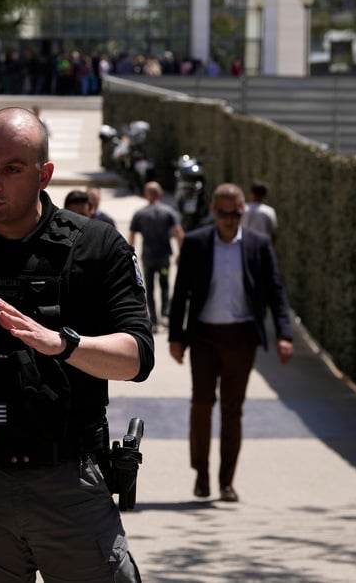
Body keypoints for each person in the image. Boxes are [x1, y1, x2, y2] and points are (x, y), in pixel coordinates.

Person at [0, 107, 154, 582]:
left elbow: (138, 357)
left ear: (44, 174)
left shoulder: (96, 246)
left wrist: (64, 345)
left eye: (12, 169)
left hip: (69, 484)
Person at [168, 182, 293, 503]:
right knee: (202, 404)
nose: (229, 220)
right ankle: (201, 473)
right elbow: (181, 292)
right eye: (223, 213)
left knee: (232, 410)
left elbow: (275, 291)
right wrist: (176, 338)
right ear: (213, 211)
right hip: (205, 336)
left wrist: (284, 334)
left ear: (242, 211)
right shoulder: (196, 243)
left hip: (242, 337)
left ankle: (226, 481)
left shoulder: (258, 244)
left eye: (234, 213)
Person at [128, 181, 184, 329]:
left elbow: (131, 237)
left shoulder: (140, 214)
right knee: (165, 285)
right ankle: (165, 314)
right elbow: (178, 232)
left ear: (147, 194)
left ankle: (153, 320)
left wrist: (129, 256)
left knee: (150, 288)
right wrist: (182, 252)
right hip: (164, 257)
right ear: (159, 194)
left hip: (148, 258)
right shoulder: (169, 212)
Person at [241, 180, 277, 244]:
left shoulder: (242, 209)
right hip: (261, 245)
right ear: (264, 195)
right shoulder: (269, 211)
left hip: (244, 244)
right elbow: (272, 233)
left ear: (251, 193)